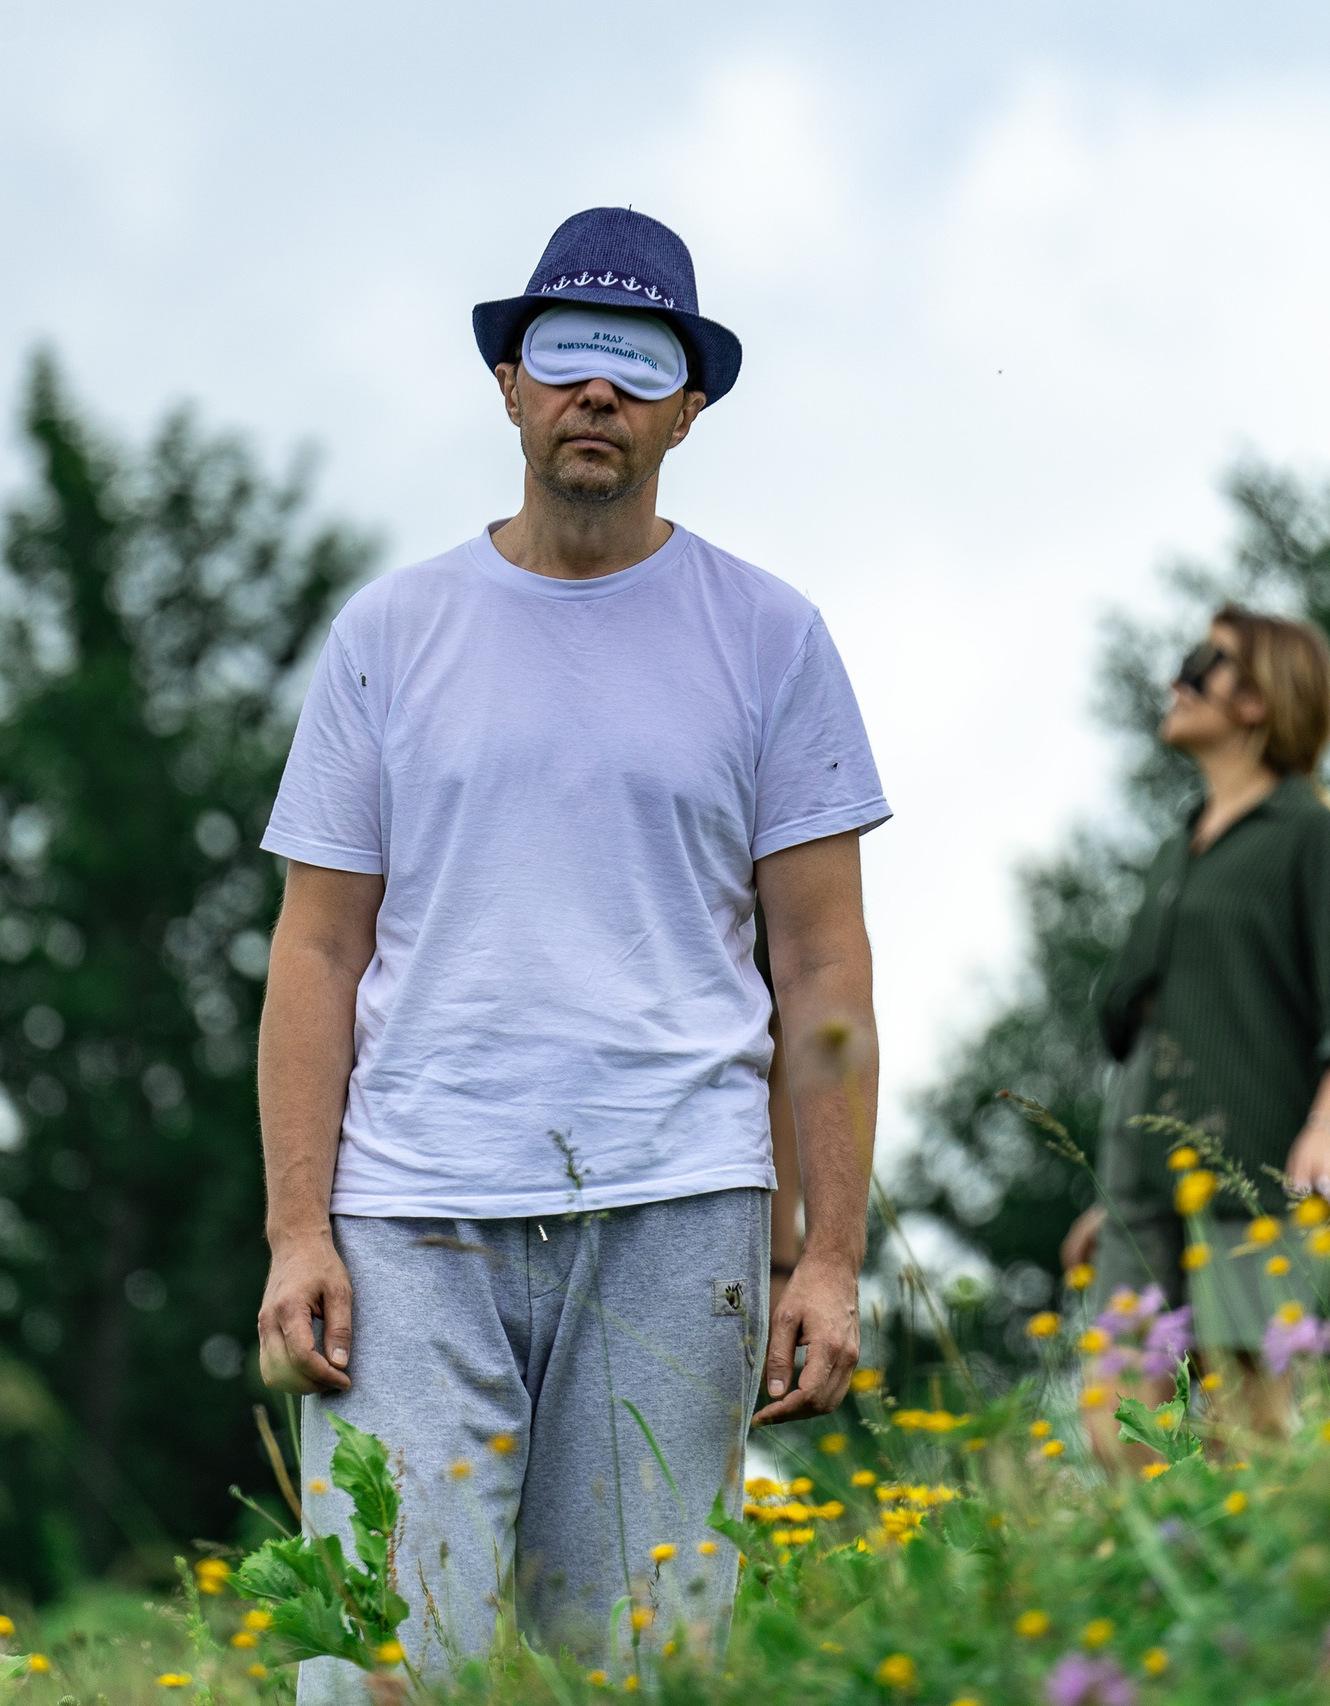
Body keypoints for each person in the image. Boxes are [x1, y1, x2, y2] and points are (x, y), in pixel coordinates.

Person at [252, 207, 890, 1698]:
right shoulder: (388, 634)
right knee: (383, 1661)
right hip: (412, 1218)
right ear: (510, 381)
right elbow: (317, 950)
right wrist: (296, 1230)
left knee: (646, 1666)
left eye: (636, 356)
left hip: (678, 1211)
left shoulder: (773, 638)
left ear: (687, 400)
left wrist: (835, 1257)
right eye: (566, 352)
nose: (596, 390)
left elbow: (825, 973)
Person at [1060, 606, 1330, 1451]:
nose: (1179, 678)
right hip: (1143, 1180)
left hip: (1255, 1166)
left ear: (1261, 701)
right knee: (1116, 1426)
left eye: (1207, 661)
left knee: (1250, 1424)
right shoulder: (1181, 847)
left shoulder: (1314, 833)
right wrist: (1118, 1189)